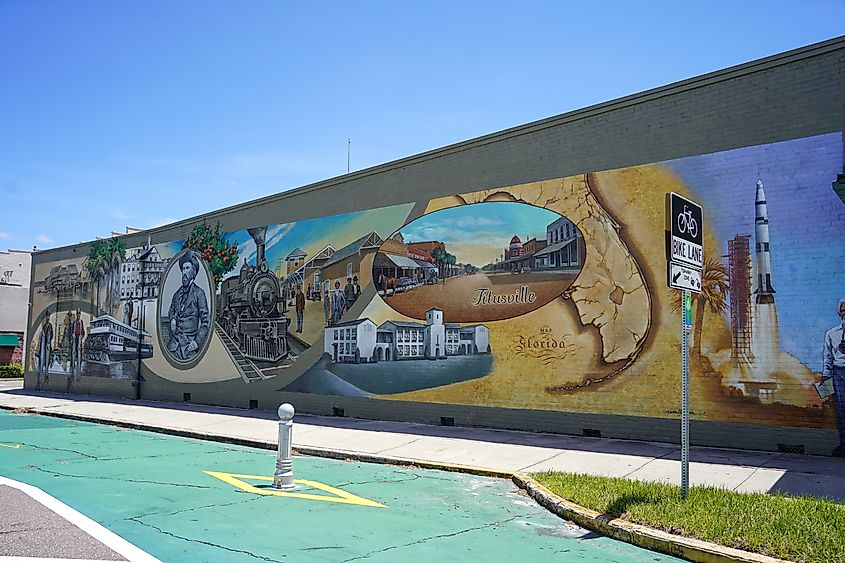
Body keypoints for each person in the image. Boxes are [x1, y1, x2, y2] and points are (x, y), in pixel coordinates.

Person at [167, 251, 210, 361]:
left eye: (187, 268)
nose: (184, 272)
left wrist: (197, 342)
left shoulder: (199, 293)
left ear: (193, 272)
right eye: (183, 269)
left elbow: (206, 321)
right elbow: (171, 309)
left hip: (189, 346)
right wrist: (172, 319)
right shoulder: (177, 294)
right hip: (174, 345)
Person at [823, 297, 845, 457]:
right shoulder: (832, 334)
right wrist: (826, 377)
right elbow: (828, 357)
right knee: (842, 409)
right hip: (839, 374)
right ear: (839, 312)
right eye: (843, 310)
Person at [71, 309, 86, 374]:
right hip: (74, 340)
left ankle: (79, 366)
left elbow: (83, 332)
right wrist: (72, 335)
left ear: (80, 314)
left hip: (79, 340)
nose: (78, 315)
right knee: (73, 353)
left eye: (79, 314)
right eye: (77, 314)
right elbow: (71, 331)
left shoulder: (81, 322)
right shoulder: (74, 323)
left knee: (79, 352)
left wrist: (81, 336)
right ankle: (72, 366)